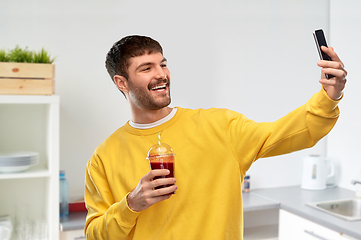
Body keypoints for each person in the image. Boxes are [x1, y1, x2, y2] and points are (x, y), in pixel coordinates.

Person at [84, 35, 347, 240]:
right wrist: (131, 204)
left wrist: (329, 96)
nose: (161, 74)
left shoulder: (220, 126)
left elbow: (293, 132)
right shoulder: (103, 158)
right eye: (146, 68)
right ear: (122, 82)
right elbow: (95, 234)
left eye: (163, 64)